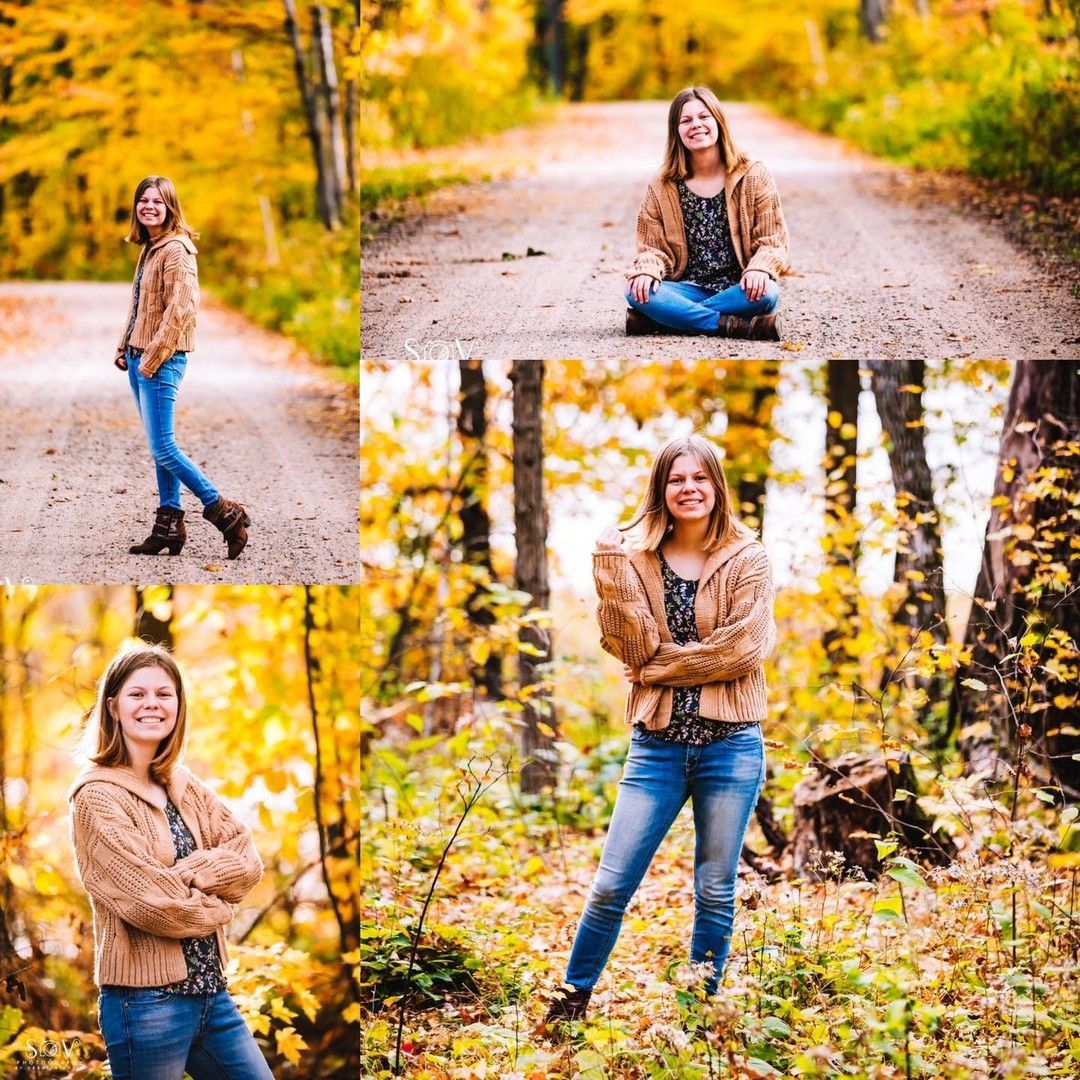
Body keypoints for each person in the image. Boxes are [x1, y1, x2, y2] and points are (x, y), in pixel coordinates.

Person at [545, 433, 775, 1027]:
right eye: (677, 479)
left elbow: (744, 650)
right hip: (658, 748)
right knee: (609, 886)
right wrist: (608, 564)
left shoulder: (750, 558)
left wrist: (655, 669)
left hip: (732, 746)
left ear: (716, 486)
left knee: (715, 891)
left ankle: (699, 1014)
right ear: (661, 488)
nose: (688, 488)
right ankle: (572, 1002)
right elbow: (628, 643)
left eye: (700, 478)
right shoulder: (637, 558)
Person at [69, 644, 272, 1080]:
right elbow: (152, 904)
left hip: (212, 995)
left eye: (164, 694)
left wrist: (191, 873)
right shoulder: (96, 797)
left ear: (179, 705)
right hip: (145, 1005)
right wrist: (219, 908)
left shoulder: (181, 783)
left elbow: (247, 857)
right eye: (137, 694)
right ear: (113, 707)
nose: (152, 705)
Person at [116, 175, 251, 559]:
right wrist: (125, 345)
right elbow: (142, 303)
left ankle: (226, 513)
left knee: (164, 446)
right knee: (159, 448)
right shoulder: (150, 248)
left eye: (157, 201)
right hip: (140, 357)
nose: (149, 207)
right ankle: (169, 527)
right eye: (143, 201)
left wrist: (153, 357)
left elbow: (182, 309)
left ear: (170, 207)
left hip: (162, 360)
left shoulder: (178, 250)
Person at [624, 86, 790, 341]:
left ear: (718, 121)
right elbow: (651, 248)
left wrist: (759, 269)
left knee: (768, 292)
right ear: (676, 131)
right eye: (686, 120)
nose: (696, 125)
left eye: (704, 117)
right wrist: (647, 270)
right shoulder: (662, 184)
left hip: (739, 289)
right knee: (635, 291)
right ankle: (733, 325)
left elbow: (772, 241)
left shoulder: (754, 175)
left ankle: (666, 320)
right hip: (685, 289)